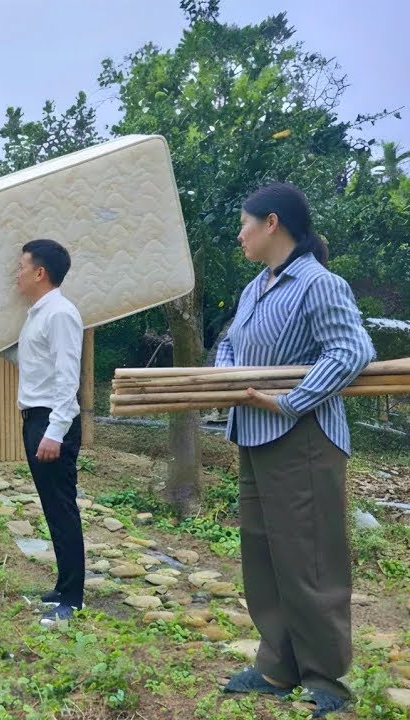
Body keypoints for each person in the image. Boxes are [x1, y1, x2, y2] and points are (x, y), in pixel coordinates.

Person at [216, 182, 374, 718]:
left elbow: (351, 350)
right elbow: (230, 343)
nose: (240, 236)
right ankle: (277, 668)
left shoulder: (319, 284)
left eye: (245, 225)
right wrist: (226, 378)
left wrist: (290, 401)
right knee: (263, 555)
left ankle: (327, 678)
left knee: (308, 558)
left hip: (302, 437)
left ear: (272, 224)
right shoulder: (255, 288)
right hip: (253, 433)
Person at [5, 238, 87, 627]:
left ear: (40, 272)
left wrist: (55, 432)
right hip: (36, 419)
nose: (16, 273)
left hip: (52, 422)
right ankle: (63, 586)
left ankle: (72, 598)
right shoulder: (37, 314)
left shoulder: (60, 314)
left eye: (21, 266)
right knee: (52, 508)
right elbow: (34, 361)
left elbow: (68, 379)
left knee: (63, 508)